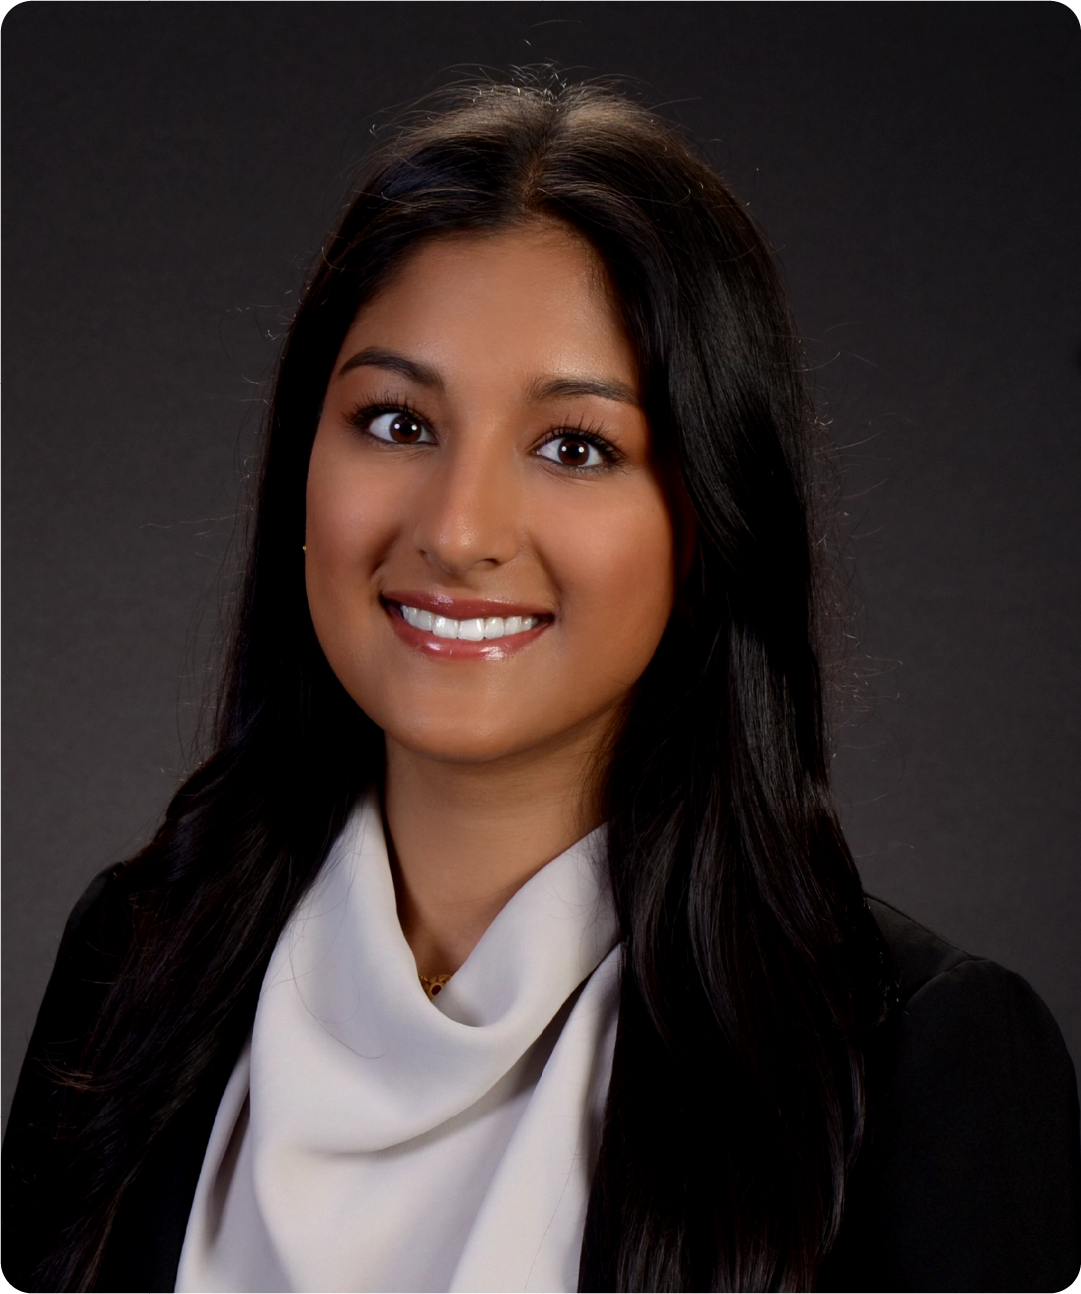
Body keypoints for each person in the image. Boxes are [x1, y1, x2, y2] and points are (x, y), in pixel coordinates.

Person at [3, 79, 1079, 1294]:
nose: (459, 530)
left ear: (713, 516)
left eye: (575, 446)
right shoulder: (137, 959)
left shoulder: (917, 1066)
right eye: (397, 422)